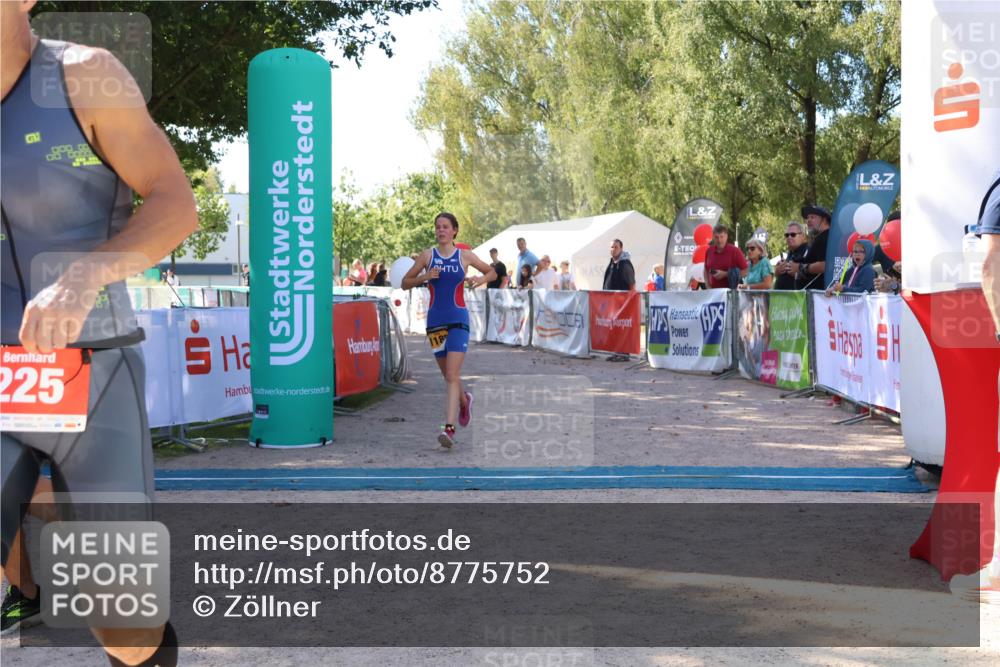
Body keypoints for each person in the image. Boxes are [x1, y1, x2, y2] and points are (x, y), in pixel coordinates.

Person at [1, 1, 196, 663]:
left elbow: (174, 199)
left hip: (89, 376)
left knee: (124, 622)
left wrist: (85, 275)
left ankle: (47, 519)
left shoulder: (86, 75)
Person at [401, 213, 495, 448]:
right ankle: (465, 401)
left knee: (452, 375)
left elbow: (493, 272)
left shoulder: (464, 255)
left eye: (445, 227)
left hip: (458, 319)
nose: (440, 230)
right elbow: (404, 282)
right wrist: (424, 277)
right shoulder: (427, 256)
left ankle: (449, 429)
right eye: (437, 227)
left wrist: (479, 278)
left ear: (454, 231)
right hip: (435, 322)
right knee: (448, 375)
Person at [788, 204, 831, 290]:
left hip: (818, 297)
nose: (808, 220)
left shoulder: (825, 237)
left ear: (824, 219)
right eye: (807, 218)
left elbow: (825, 265)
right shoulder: (820, 238)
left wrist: (800, 268)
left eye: (812, 217)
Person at [703, 224, 748, 289]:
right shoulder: (709, 251)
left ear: (726, 237)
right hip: (713, 292)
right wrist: (707, 285)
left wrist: (726, 274)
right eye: (716, 237)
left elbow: (746, 271)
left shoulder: (735, 251)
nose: (719, 240)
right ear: (713, 237)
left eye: (721, 237)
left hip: (731, 293)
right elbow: (705, 270)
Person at [774, 222, 810, 290]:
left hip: (799, 298)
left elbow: (814, 274)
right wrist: (778, 271)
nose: (789, 237)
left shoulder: (808, 251)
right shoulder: (791, 253)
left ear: (803, 236)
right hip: (782, 297)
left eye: (793, 234)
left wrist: (799, 270)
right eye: (787, 235)